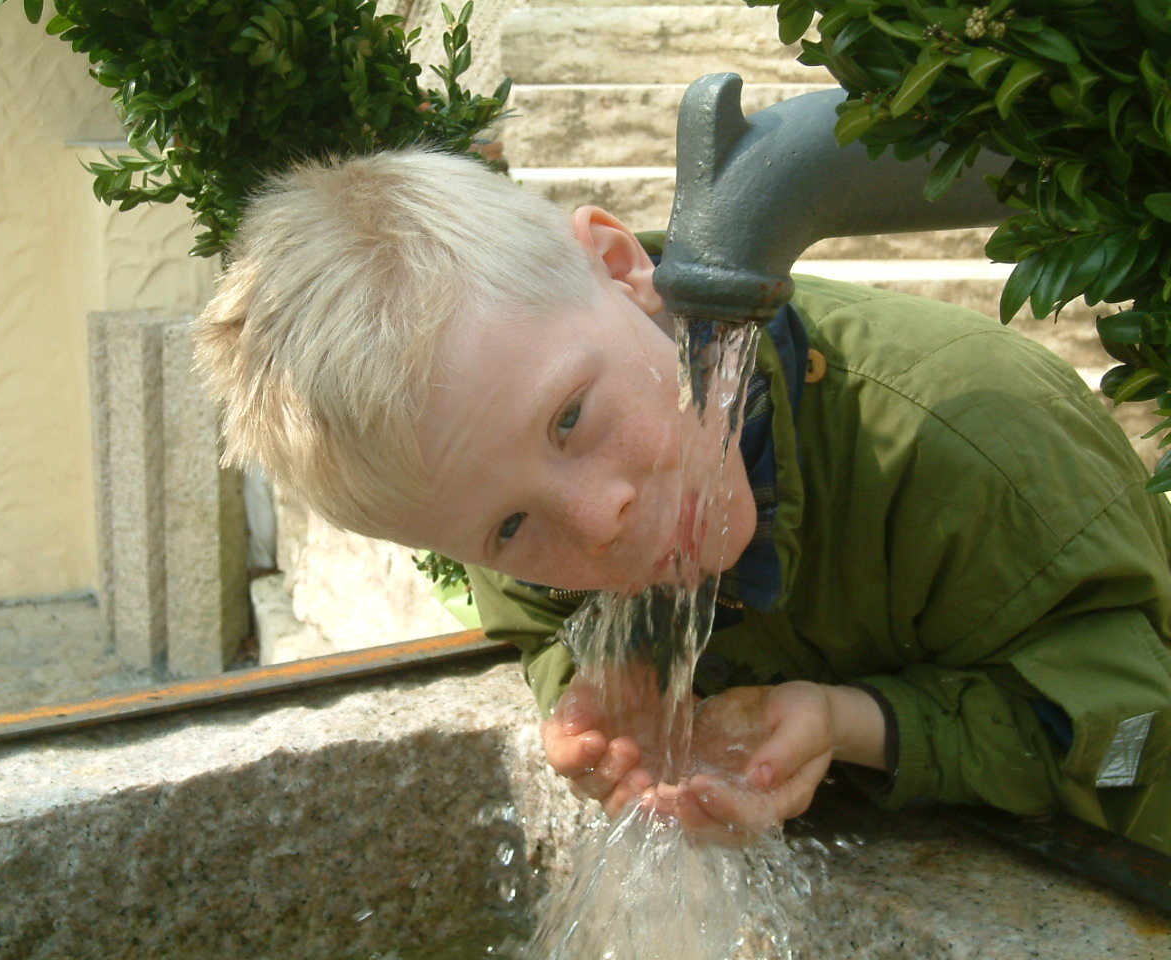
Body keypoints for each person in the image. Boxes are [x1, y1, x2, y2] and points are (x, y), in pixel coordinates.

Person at [194, 148, 1171, 854]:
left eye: (569, 418)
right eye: (509, 527)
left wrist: (858, 720)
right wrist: (592, 685)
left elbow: (1134, 734)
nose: (596, 525)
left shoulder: (977, 448)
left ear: (622, 270)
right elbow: (530, 618)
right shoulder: (494, 468)